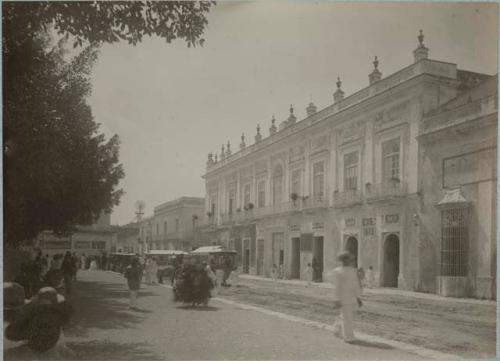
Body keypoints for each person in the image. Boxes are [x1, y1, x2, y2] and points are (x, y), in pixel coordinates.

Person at [332, 253, 362, 343]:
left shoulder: (353, 271)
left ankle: (337, 329)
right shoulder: (338, 271)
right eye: (347, 259)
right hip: (343, 298)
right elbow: (337, 286)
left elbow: (356, 284)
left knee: (346, 316)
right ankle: (349, 337)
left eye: (349, 259)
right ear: (343, 261)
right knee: (347, 318)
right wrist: (337, 299)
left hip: (351, 298)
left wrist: (358, 297)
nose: (349, 261)